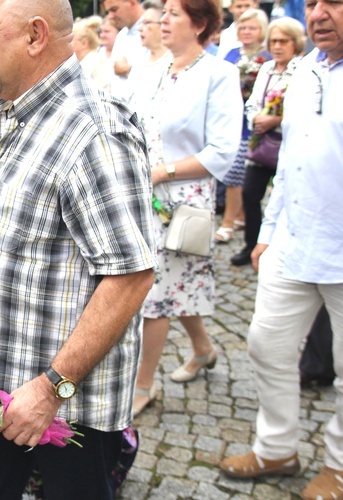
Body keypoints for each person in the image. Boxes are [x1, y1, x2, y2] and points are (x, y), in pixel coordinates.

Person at [0, 0, 157, 496]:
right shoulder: (6, 103)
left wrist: (52, 387)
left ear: (35, 36)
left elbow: (132, 275)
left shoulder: (95, 132)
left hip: (56, 409)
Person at [219, 0, 343, 495]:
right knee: (267, 346)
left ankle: (342, 463)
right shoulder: (307, 70)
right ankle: (277, 448)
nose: (318, 13)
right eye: (312, 2)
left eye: (332, 2)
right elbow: (292, 154)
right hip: (293, 244)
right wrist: (269, 232)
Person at [131, 0, 243, 416]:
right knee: (181, 283)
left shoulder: (219, 73)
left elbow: (223, 150)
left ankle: (144, 384)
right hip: (147, 195)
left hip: (184, 201)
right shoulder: (156, 71)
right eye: (164, 13)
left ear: (199, 24)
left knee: (156, 291)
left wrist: (164, 171)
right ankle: (203, 348)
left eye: (174, 13)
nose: (163, 19)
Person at [230, 16, 304, 266]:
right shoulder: (266, 68)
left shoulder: (302, 70)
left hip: (286, 144)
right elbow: (251, 103)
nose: (278, 46)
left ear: (295, 43)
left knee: (286, 197)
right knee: (250, 194)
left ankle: (280, 246)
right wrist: (257, 119)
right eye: (273, 41)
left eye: (283, 41)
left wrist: (277, 120)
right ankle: (252, 244)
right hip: (261, 145)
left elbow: (302, 111)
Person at [216, 8, 272, 243]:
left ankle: (230, 222)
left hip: (250, 123)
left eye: (253, 28)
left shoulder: (266, 58)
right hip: (229, 116)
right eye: (244, 27)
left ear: (261, 31)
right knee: (233, 172)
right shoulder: (231, 53)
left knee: (237, 173)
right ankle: (237, 216)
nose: (247, 32)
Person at [128, 1, 172, 111]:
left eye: (147, 23)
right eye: (140, 23)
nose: (140, 28)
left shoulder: (173, 62)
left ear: (163, 24)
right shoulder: (139, 61)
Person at [104, 0, 148, 102]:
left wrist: (130, 70)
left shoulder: (154, 31)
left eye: (114, 9)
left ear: (132, 3)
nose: (110, 16)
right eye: (108, 11)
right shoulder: (121, 36)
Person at [73, 17, 112, 89]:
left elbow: (104, 92)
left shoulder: (96, 62)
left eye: (72, 40)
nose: (70, 45)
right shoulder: (84, 62)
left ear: (84, 43)